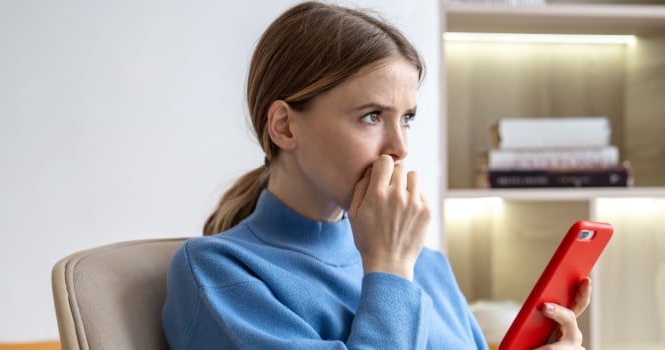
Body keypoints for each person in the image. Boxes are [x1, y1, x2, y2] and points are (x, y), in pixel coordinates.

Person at [162, 1, 592, 349]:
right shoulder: (217, 273)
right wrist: (388, 267)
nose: (400, 147)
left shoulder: (425, 263)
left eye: (406, 118)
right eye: (371, 116)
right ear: (285, 127)